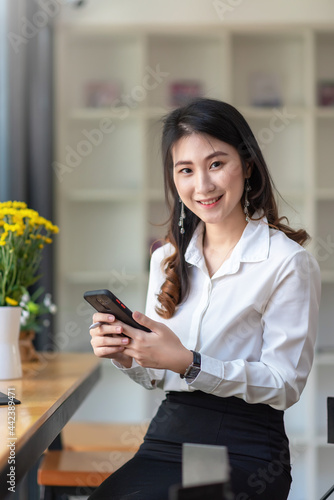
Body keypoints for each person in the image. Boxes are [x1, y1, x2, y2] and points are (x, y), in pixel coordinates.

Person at [89, 98, 321, 500]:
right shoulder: (166, 258)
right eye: (186, 170)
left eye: (216, 164)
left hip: (245, 447)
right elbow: (158, 376)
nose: (203, 186)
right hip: (167, 437)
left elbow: (286, 385)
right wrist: (126, 354)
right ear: (174, 179)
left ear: (247, 165)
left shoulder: (287, 262)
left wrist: (190, 362)